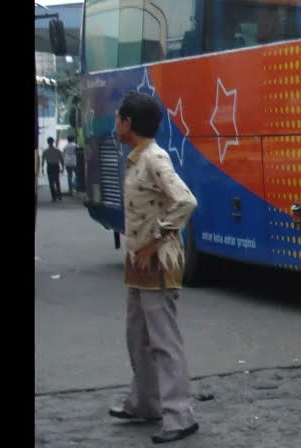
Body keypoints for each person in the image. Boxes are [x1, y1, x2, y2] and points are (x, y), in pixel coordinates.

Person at [106, 91, 200, 444]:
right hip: (138, 263)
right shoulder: (137, 158)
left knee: (163, 341)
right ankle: (145, 402)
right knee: (138, 337)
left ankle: (179, 414)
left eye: (118, 118)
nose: (115, 124)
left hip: (157, 261)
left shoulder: (155, 159)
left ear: (128, 123)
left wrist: (154, 240)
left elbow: (186, 201)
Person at [42, 137, 63, 202]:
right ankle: (59, 195)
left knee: (51, 182)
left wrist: (42, 168)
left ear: (48, 142)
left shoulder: (45, 151)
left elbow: (43, 160)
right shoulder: (57, 150)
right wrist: (63, 167)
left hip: (50, 166)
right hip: (56, 166)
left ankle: (54, 197)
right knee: (57, 181)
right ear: (53, 142)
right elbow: (62, 159)